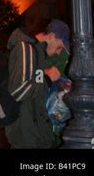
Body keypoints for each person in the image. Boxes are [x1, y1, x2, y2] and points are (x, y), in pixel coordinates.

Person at [5, 18, 70, 149]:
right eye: (59, 47)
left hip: (36, 134)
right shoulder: (25, 49)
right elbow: (18, 91)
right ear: (51, 36)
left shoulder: (36, 53)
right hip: (27, 137)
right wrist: (47, 78)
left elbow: (32, 85)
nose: (58, 53)